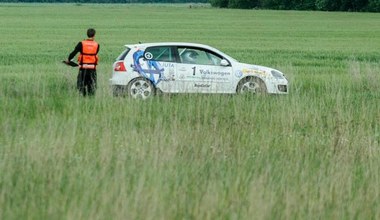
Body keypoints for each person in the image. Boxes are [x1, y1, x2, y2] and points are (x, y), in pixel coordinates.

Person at [65, 28, 100, 96]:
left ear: (87, 34)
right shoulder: (97, 45)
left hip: (83, 69)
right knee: (92, 88)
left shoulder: (81, 43)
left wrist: (69, 60)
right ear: (94, 35)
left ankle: (82, 100)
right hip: (92, 69)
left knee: (81, 87)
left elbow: (74, 53)